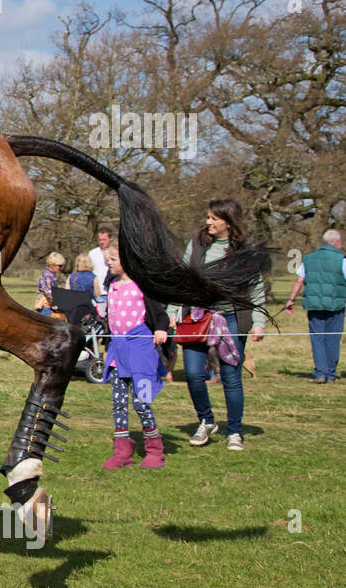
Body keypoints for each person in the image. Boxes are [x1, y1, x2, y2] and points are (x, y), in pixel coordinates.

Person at [167, 199, 267, 452]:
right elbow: (183, 281)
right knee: (192, 373)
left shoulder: (245, 250)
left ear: (228, 221)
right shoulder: (198, 245)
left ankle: (235, 431)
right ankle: (206, 420)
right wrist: (171, 311)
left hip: (232, 317)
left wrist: (258, 322)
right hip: (198, 317)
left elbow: (255, 288)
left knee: (231, 377)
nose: (208, 222)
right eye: (208, 217)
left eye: (213, 218)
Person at [99, 245, 169, 469]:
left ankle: (155, 451)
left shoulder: (142, 285)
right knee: (118, 403)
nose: (108, 263)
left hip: (140, 351)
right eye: (107, 259)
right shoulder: (111, 285)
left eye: (112, 259)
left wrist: (160, 328)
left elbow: (159, 312)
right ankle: (122, 453)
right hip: (118, 351)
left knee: (141, 401)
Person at [285, 229, 345, 382]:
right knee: (332, 338)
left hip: (314, 305)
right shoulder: (342, 260)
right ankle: (330, 373)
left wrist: (291, 299)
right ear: (337, 243)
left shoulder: (308, 259)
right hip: (336, 304)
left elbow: (299, 280)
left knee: (317, 338)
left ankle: (320, 373)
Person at [88, 224, 115, 308]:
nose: (102, 242)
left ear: (110, 239)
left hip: (111, 291)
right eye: (100, 240)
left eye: (104, 239)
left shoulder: (116, 253)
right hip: (97, 292)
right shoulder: (92, 253)